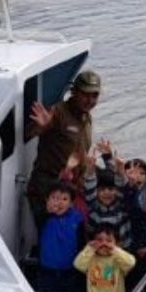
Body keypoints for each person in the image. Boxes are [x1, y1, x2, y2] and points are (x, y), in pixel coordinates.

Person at [26, 70, 101, 224]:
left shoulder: (87, 117)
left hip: (71, 186)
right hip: (48, 186)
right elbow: (30, 132)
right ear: (74, 92)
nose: (90, 100)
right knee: (51, 233)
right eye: (85, 94)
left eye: (95, 95)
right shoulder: (59, 112)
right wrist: (42, 126)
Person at [36, 182, 85, 292]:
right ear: (47, 200)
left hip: (70, 272)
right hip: (46, 271)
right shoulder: (43, 217)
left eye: (64, 199)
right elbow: (40, 213)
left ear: (71, 203)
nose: (59, 202)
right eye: (54, 198)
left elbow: (81, 243)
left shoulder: (77, 218)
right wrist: (46, 211)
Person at [73, 224, 137, 292]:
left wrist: (114, 250)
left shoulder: (118, 258)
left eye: (109, 241)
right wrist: (89, 249)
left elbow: (131, 262)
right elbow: (77, 264)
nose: (104, 244)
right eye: (99, 240)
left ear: (117, 244)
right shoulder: (90, 258)